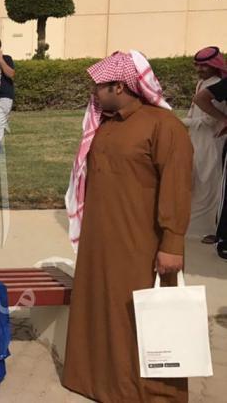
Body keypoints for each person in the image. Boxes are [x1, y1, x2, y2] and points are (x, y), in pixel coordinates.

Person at [62, 50, 192, 402]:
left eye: (99, 86)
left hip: (142, 244)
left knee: (138, 316)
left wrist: (172, 243)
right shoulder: (105, 125)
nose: (93, 92)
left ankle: (144, 392)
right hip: (100, 241)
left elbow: (177, 188)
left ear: (119, 86)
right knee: (102, 308)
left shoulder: (163, 126)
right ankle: (98, 383)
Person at [183, 47, 227, 244]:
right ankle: (194, 227)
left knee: (209, 184)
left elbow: (210, 121)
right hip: (196, 139)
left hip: (212, 141)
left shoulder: (218, 84)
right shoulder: (202, 83)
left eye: (204, 66)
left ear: (215, 66)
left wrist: (182, 122)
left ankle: (210, 229)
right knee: (196, 182)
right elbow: (194, 112)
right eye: (198, 65)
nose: (200, 69)